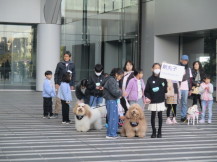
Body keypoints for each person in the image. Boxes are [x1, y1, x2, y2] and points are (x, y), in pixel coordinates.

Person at [144, 63, 167, 138]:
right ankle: (154, 131)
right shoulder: (150, 79)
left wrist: (166, 86)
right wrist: (148, 97)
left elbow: (165, 90)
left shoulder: (163, 79)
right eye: (155, 68)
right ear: (152, 69)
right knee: (153, 115)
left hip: (160, 99)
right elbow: (146, 90)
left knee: (160, 116)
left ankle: (159, 131)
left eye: (158, 68)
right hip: (153, 100)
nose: (157, 69)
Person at [53, 51, 75, 118]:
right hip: (60, 83)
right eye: (65, 56)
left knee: (66, 98)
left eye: (67, 56)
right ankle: (56, 112)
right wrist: (56, 83)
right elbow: (56, 74)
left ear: (70, 57)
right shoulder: (60, 64)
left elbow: (74, 75)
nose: (66, 57)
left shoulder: (72, 64)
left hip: (68, 84)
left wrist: (72, 84)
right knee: (59, 98)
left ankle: (66, 114)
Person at [103, 68, 124, 139]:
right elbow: (114, 91)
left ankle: (112, 133)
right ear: (116, 74)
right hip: (111, 100)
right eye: (120, 76)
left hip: (111, 100)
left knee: (113, 117)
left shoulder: (111, 79)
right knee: (113, 117)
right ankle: (111, 134)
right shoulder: (112, 80)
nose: (121, 78)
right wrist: (121, 93)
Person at [179, 55, 193, 122]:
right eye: (184, 60)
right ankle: (174, 116)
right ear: (181, 60)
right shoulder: (176, 67)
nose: (185, 61)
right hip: (178, 87)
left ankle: (183, 116)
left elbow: (190, 80)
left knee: (184, 102)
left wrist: (190, 89)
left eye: (186, 60)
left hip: (186, 87)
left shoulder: (189, 69)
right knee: (176, 102)